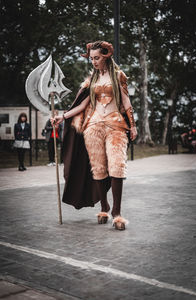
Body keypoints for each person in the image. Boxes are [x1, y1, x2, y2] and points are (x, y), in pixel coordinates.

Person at [52, 41, 137, 230]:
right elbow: (82, 105)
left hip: (116, 125)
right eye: (91, 59)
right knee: (98, 168)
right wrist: (61, 116)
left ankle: (116, 212)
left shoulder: (118, 76)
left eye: (96, 58)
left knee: (117, 165)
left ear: (106, 55)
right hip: (93, 126)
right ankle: (104, 206)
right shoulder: (92, 80)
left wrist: (133, 125)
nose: (93, 62)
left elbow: (126, 101)